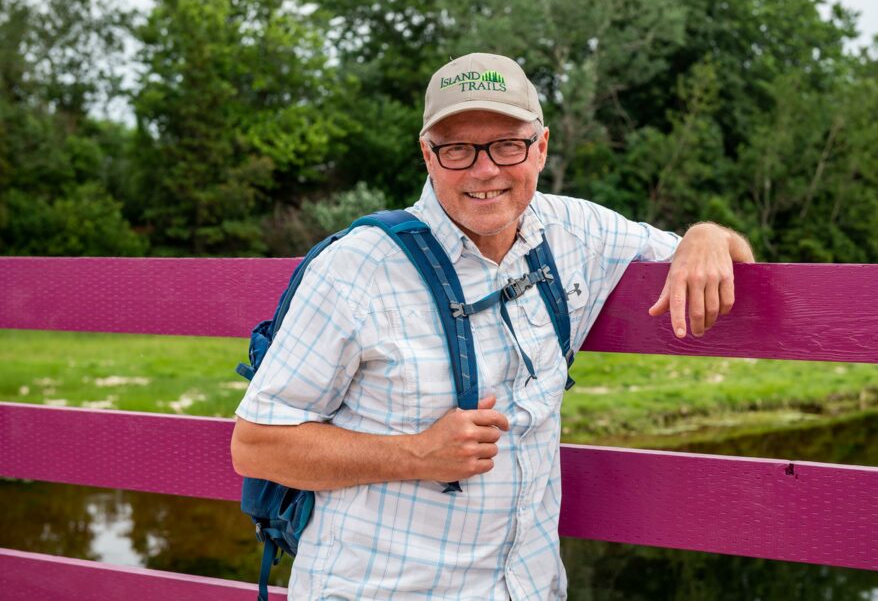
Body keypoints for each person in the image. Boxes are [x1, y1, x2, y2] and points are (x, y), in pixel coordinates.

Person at [231, 52, 756, 600]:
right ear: (428, 156)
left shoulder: (575, 231)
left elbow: (720, 259)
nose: (485, 171)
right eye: (458, 148)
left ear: (542, 146)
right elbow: (257, 445)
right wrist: (416, 455)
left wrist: (708, 237)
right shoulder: (356, 268)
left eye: (508, 144)